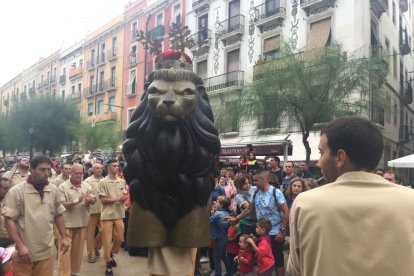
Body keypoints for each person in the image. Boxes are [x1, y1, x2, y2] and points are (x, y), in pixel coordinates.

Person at [287, 116, 414, 276]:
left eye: (321, 153)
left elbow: (295, 269)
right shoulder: (411, 201)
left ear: (340, 157)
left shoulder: (306, 204)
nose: (319, 162)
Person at [2, 155, 69, 276]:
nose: (46, 173)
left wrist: (64, 237)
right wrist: (20, 246)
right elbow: (9, 220)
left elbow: (58, 214)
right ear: (31, 169)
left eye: (48, 170)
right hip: (25, 252)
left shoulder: (53, 190)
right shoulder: (17, 192)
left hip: (46, 251)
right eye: (42, 169)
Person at [58, 164, 96, 276]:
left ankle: (72, 272)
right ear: (71, 173)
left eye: (80, 173)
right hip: (67, 225)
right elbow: (61, 205)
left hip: (81, 223)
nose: (78, 175)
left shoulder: (86, 186)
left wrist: (90, 200)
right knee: (65, 252)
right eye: (76, 173)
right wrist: (77, 201)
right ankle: (64, 273)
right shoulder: (63, 187)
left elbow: (93, 199)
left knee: (77, 253)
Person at [99, 159, 127, 276]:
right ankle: (108, 264)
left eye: (118, 166)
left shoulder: (121, 181)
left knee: (119, 238)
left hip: (119, 214)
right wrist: (117, 200)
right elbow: (103, 200)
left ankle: (111, 253)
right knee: (106, 240)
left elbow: (124, 195)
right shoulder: (103, 182)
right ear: (108, 168)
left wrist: (125, 201)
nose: (117, 168)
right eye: (114, 166)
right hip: (107, 216)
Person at [84, 163, 104, 263]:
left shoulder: (104, 180)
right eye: (97, 168)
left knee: (104, 231)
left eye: (101, 168)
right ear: (92, 170)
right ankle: (91, 254)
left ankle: (96, 247)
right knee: (90, 234)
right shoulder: (87, 181)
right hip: (91, 211)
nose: (99, 170)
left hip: (103, 211)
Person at [209, 196, 233, 276]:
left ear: (221, 204)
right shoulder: (226, 213)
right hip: (224, 237)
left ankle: (218, 274)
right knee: (223, 256)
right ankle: (230, 272)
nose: (215, 202)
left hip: (218, 238)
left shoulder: (217, 214)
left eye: (217, 201)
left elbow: (209, 221)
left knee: (217, 258)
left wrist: (212, 213)